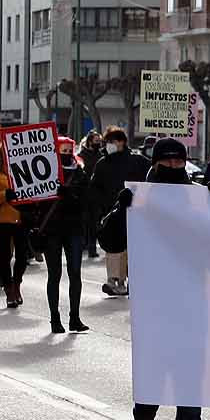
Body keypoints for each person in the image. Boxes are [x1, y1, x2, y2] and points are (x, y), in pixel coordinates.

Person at [98, 137, 210, 420]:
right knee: (154, 357)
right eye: (168, 162)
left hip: (191, 291)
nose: (174, 166)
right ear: (155, 163)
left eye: (179, 161)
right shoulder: (138, 195)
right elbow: (110, 242)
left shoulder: (197, 196)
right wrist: (121, 211)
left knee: (190, 360)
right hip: (153, 295)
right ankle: (144, 418)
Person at [90, 125, 150, 297]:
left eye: (112, 141)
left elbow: (151, 179)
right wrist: (100, 209)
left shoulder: (137, 161)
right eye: (106, 141)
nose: (108, 144)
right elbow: (95, 188)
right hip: (111, 213)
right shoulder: (102, 163)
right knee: (113, 247)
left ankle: (124, 280)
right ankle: (114, 279)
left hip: (135, 212)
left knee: (128, 248)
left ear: (122, 142)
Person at [39, 136, 91, 335]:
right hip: (52, 229)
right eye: (63, 150)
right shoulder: (43, 172)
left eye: (70, 150)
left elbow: (87, 199)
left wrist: (72, 195)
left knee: (75, 274)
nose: (67, 154)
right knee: (55, 274)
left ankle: (74, 318)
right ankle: (55, 319)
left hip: (74, 229)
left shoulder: (79, 172)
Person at [0, 143, 29, 309]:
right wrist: (4, 195)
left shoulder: (24, 167)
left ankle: (17, 284)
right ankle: (9, 290)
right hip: (1, 220)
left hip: (20, 218)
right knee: (5, 255)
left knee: (22, 256)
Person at [80, 132, 105, 258]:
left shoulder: (101, 156)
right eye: (96, 141)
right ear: (90, 141)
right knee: (84, 221)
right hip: (83, 194)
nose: (98, 143)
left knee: (94, 222)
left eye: (99, 141)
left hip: (96, 194)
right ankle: (83, 244)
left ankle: (92, 248)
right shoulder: (81, 156)